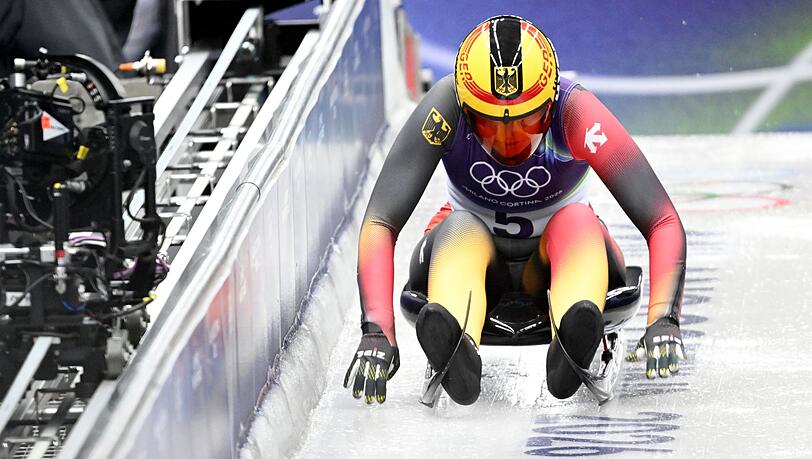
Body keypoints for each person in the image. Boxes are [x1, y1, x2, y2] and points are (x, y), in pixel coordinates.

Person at [343, 15, 686, 405]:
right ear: (467, 110)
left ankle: (572, 336)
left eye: (526, 122)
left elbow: (662, 219)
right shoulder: (445, 109)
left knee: (576, 220)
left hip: (558, 257)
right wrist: (376, 330)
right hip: (475, 253)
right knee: (460, 227)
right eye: (491, 125)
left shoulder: (576, 112)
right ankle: (456, 343)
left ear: (550, 102)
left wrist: (664, 317)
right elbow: (380, 221)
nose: (508, 140)